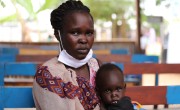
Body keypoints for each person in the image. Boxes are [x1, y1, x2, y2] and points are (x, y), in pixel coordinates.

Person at [32, 0, 100, 110]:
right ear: (58, 35)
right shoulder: (47, 74)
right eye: (75, 32)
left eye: (89, 33)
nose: (83, 40)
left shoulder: (96, 66)